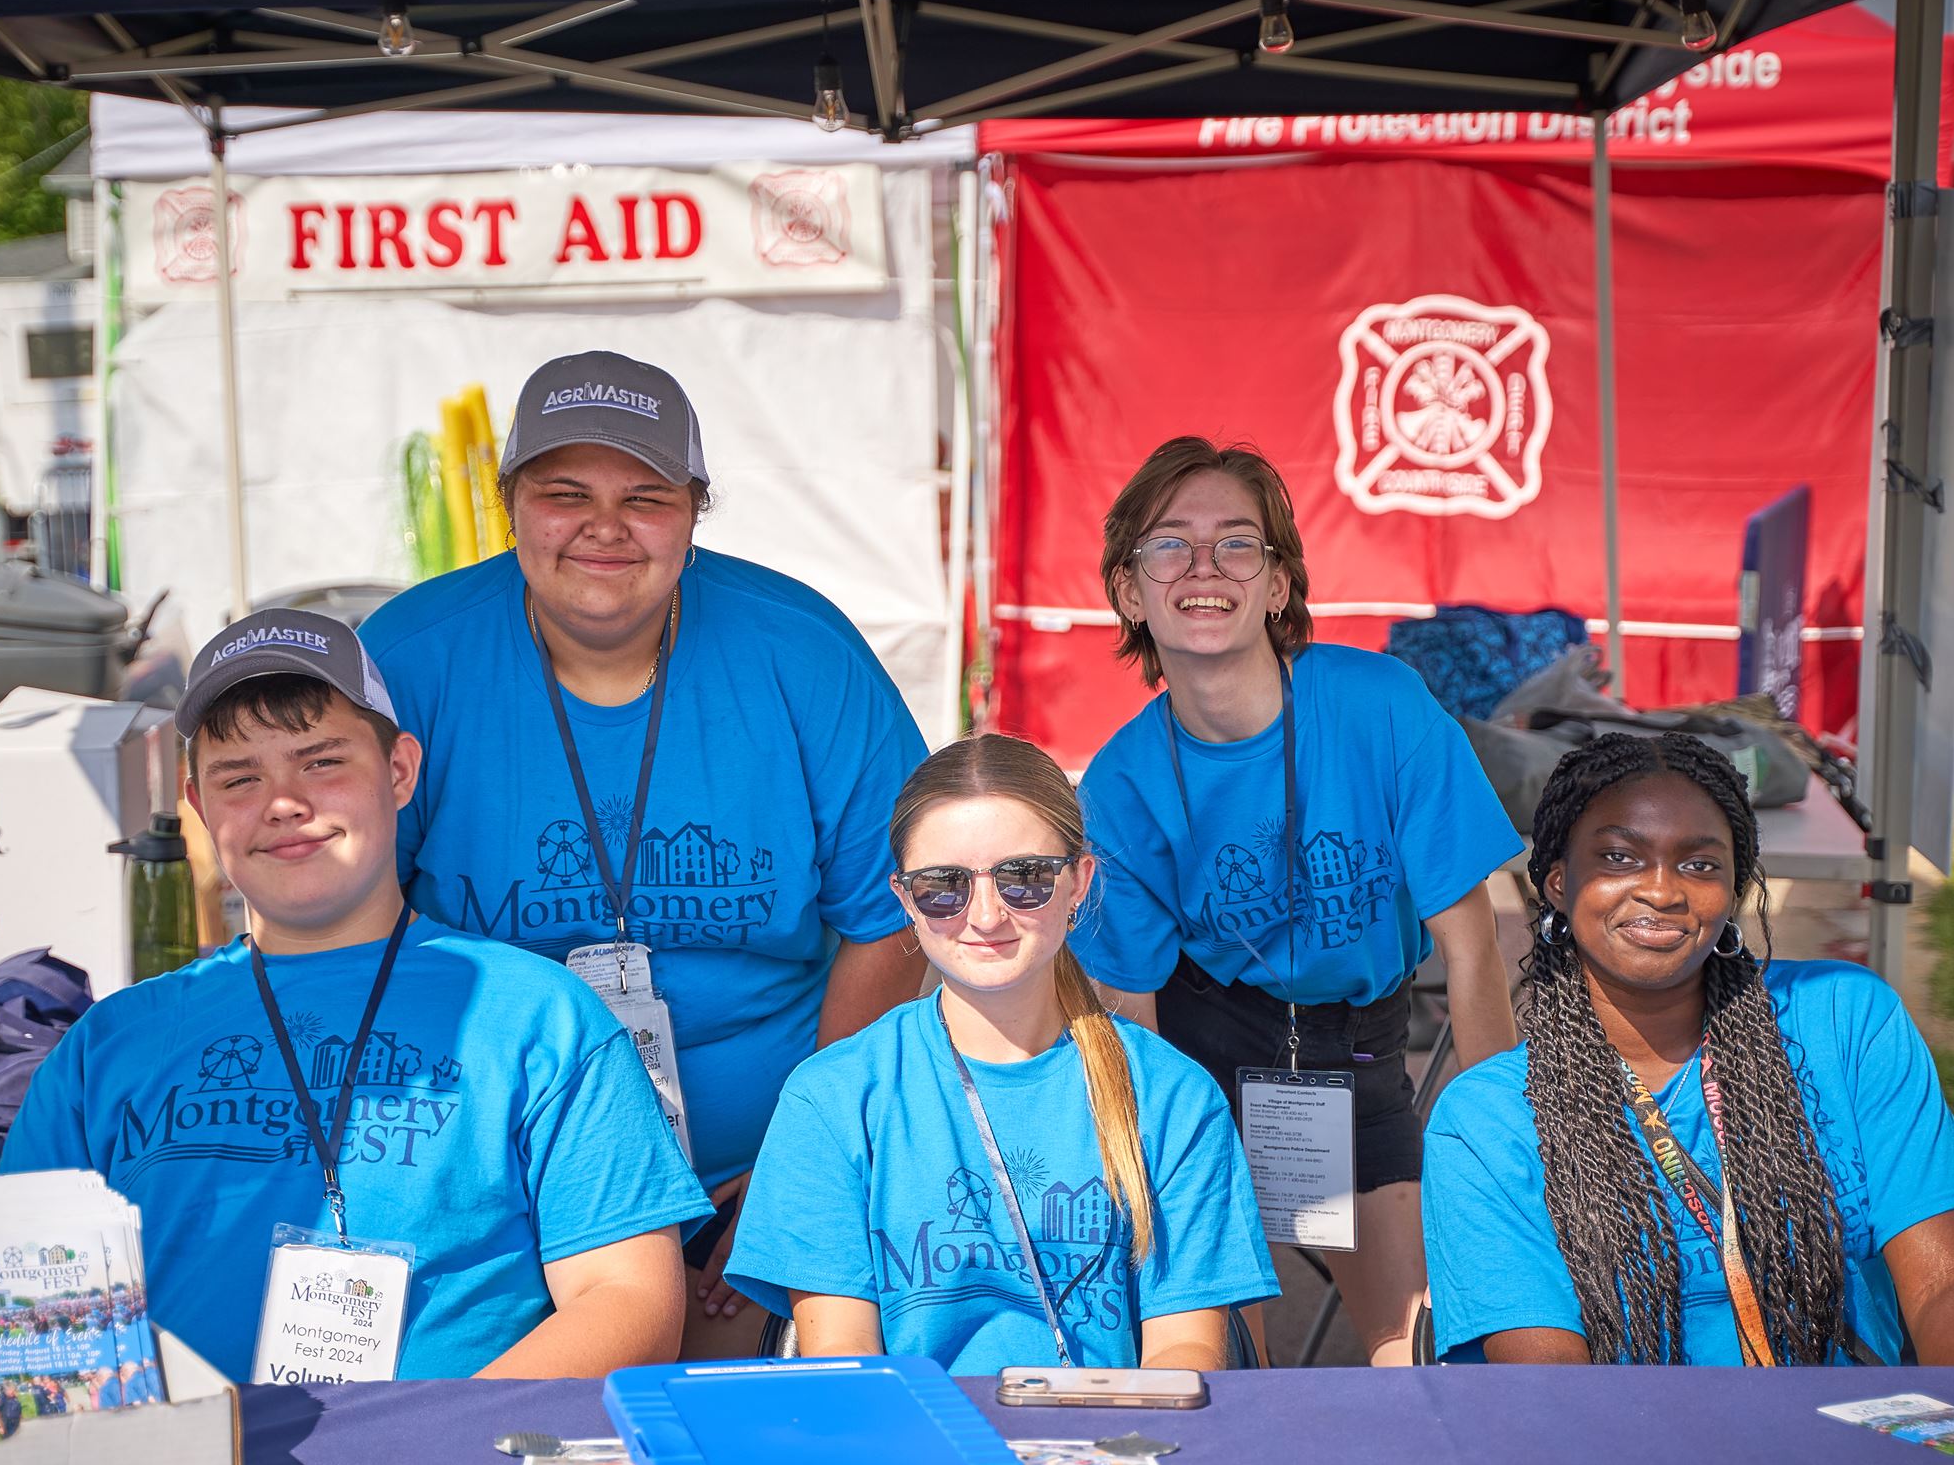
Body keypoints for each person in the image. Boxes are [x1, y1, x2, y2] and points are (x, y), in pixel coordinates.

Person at [361, 352, 928, 1357]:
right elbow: (351, 922)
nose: (604, 527)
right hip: (497, 1167)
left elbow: (888, 919)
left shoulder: (801, 651)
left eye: (646, 496)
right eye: (564, 493)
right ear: (508, 504)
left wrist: (807, 1163)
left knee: (737, 1438)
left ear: (696, 511)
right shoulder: (410, 658)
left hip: (754, 1168)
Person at [2, 609, 708, 1380]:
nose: (282, 801)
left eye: (321, 762)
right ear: (200, 807)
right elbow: (22, 1309)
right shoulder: (109, 1045)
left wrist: (424, 1444)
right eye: (240, 777)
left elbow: (629, 1300)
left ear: (400, 771)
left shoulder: (542, 1016)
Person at [1073, 438, 1520, 1366]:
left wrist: (1495, 1156)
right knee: (1224, 1364)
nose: (1204, 569)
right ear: (1128, 591)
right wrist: (1156, 1184)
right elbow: (1136, 1021)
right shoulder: (1119, 785)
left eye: (1237, 544)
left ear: (1278, 585)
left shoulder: (1384, 705)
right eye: (1170, 546)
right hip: (1206, 1045)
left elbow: (1473, 952)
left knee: (1427, 1356)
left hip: (1356, 1047)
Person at [1420, 733, 1954, 1365]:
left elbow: (1948, 1282)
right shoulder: (1485, 1121)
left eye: (1700, 865)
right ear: (1559, 885)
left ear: (1734, 890)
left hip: (1858, 1442)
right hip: (1636, 1453)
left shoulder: (1846, 1020)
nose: (1663, 891)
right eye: (1619, 858)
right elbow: (1551, 1391)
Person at [725, 735, 1276, 1372]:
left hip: (1113, 1450)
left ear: (1079, 883)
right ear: (904, 899)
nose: (985, 915)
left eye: (1024, 878)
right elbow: (843, 1362)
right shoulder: (831, 1097)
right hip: (915, 1453)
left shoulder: (1174, 1096)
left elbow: (1185, 1352)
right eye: (943, 886)